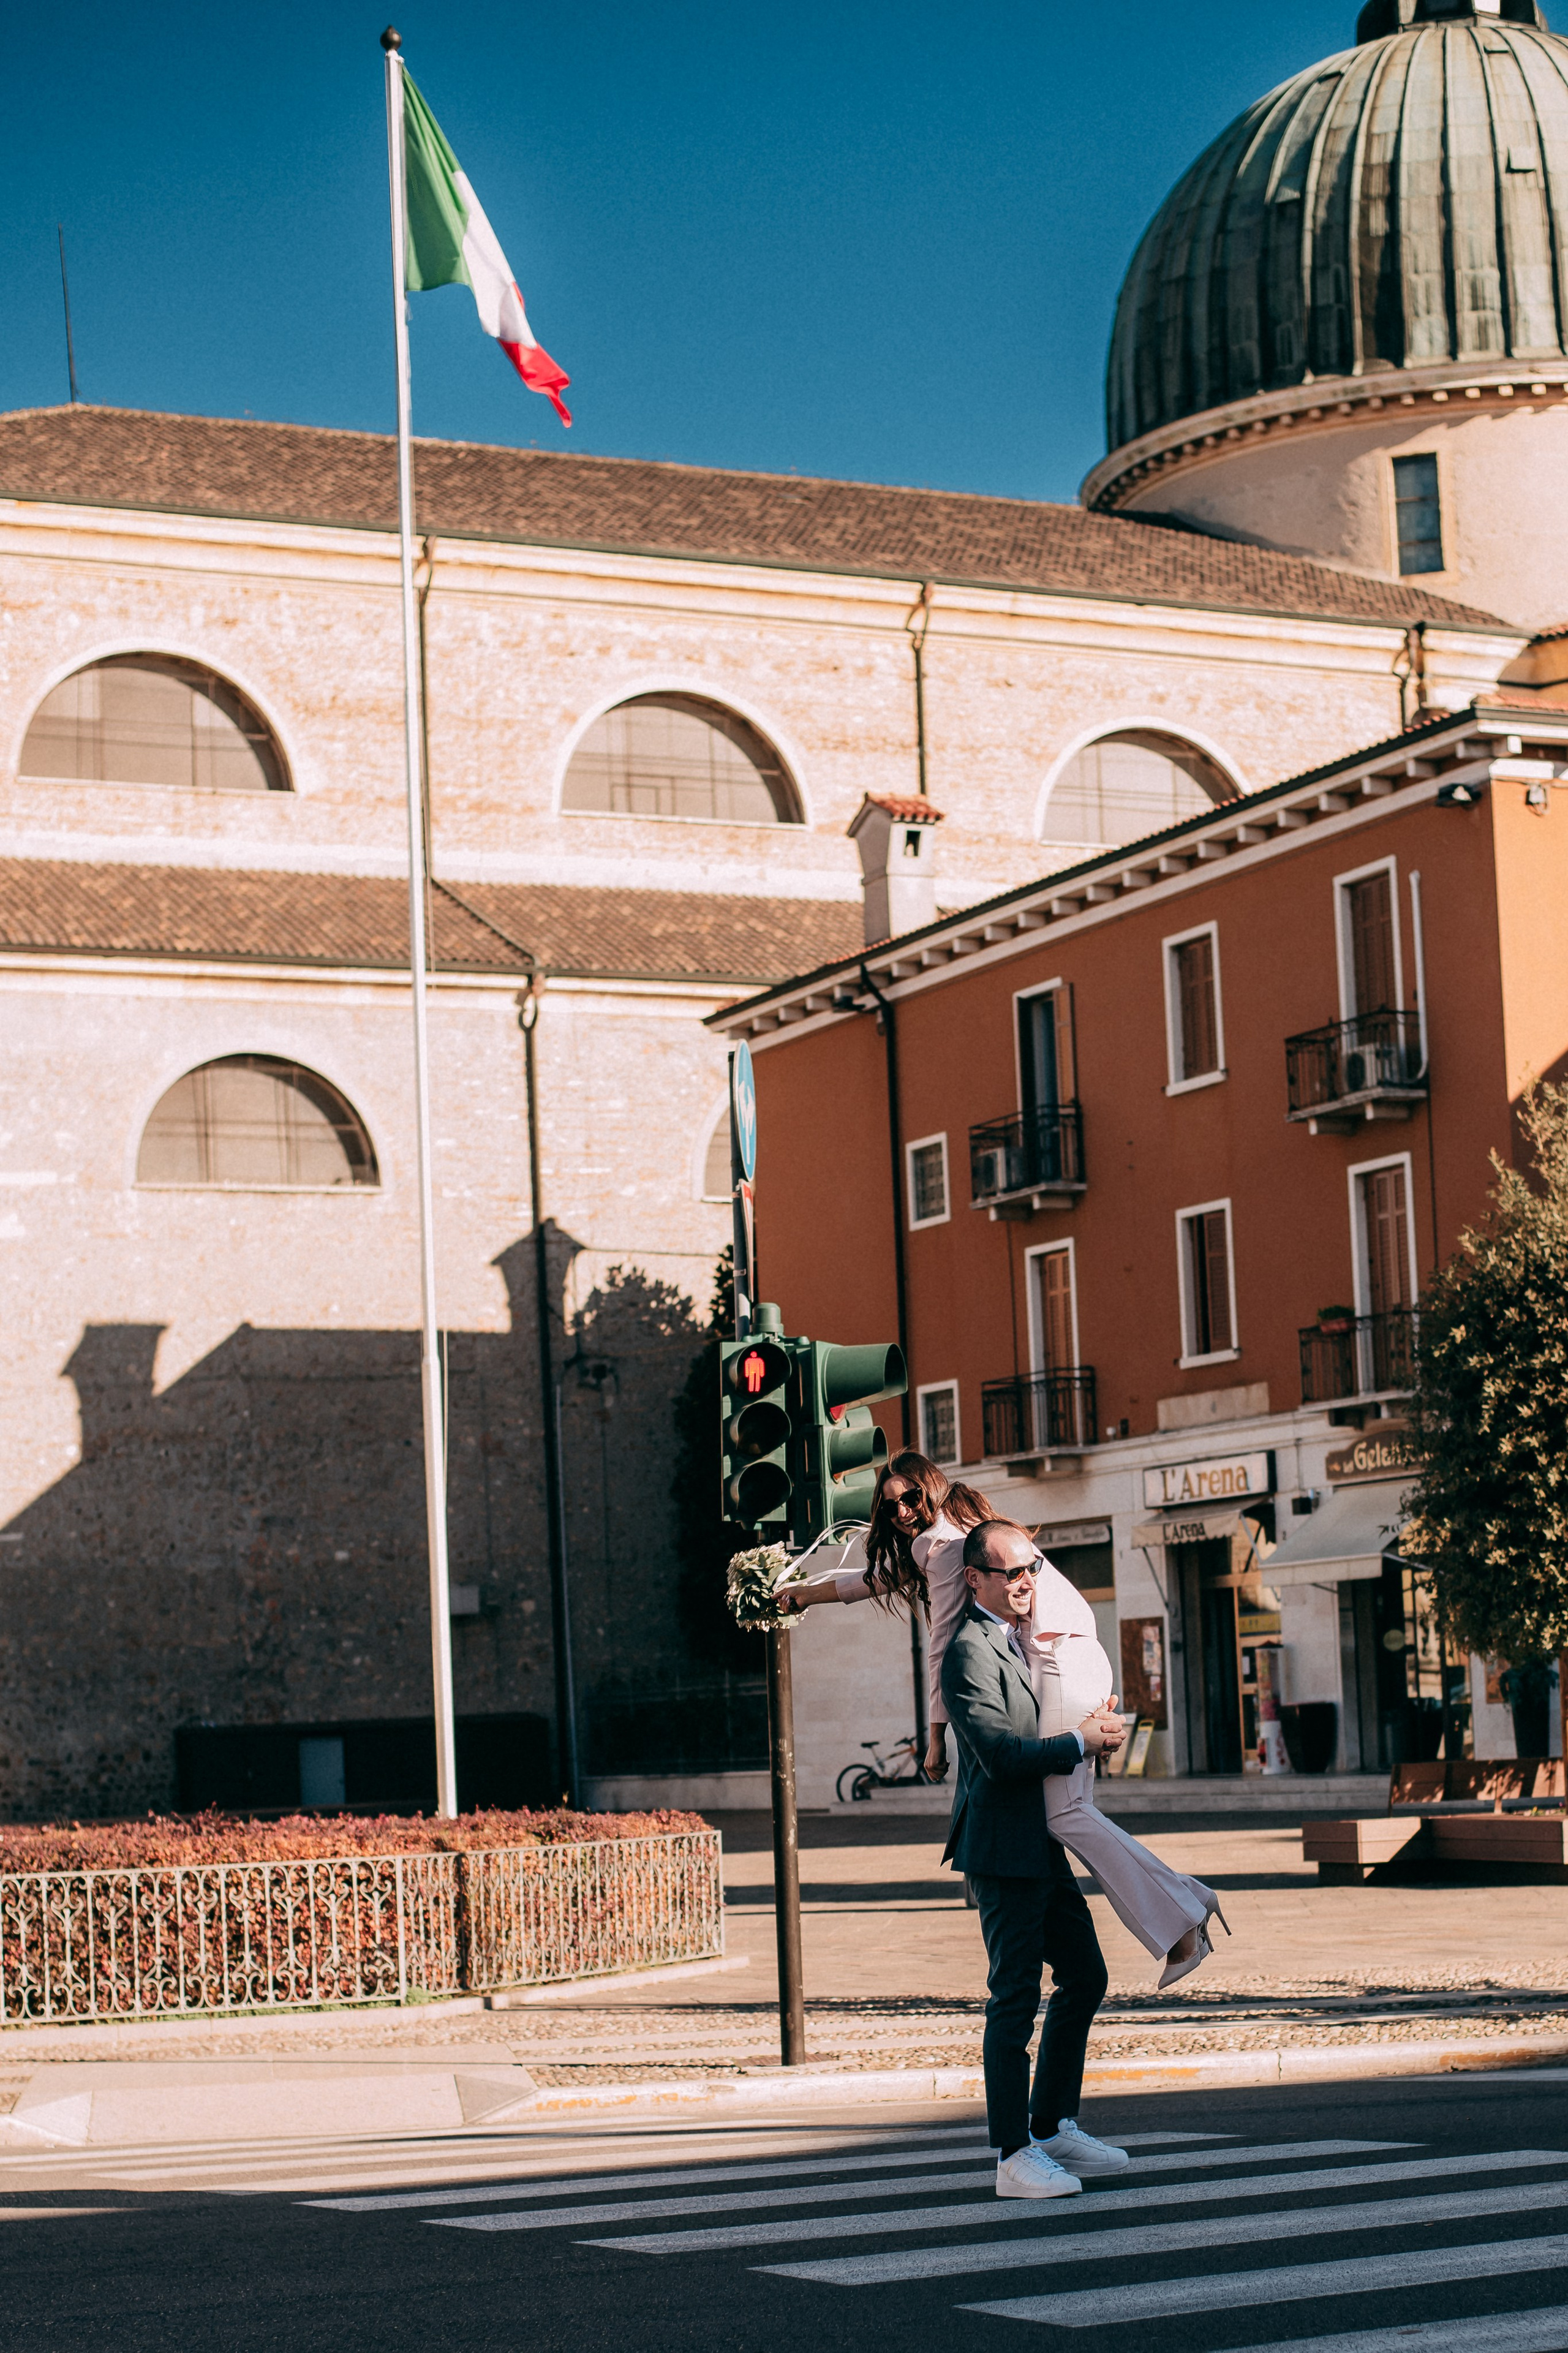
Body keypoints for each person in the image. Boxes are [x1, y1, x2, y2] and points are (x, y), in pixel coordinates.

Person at [784, 1451, 1227, 1984]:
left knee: (1064, 1814)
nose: (902, 1510)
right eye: (891, 1504)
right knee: (1071, 1810)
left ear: (931, 1489)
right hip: (1074, 1654)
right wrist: (803, 1594)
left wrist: (935, 1736)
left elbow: (943, 1641)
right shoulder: (952, 1530)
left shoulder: (941, 1542)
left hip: (1059, 1658)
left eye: (910, 1497)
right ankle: (1186, 1901)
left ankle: (1182, 1917)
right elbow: (871, 1579)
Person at [940, 1519, 1128, 2197]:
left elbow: (1045, 1728)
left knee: (1085, 1975)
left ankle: (1050, 2126)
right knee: (1013, 1999)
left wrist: (1088, 1720)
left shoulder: (1023, 1640)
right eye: (1010, 1572)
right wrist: (1079, 1740)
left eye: (1032, 1568)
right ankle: (1011, 2156)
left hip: (1042, 1840)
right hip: (1001, 1847)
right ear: (974, 1579)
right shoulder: (967, 1651)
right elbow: (999, 1756)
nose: (1025, 1582)